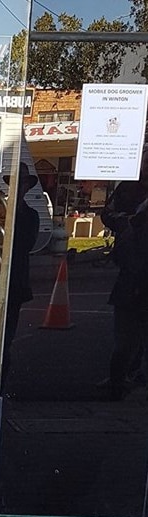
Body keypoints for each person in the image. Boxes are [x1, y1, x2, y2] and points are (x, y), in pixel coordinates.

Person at [99, 148, 148, 400]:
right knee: (126, 340)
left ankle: (130, 377)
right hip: (130, 277)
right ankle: (118, 381)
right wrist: (124, 222)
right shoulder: (128, 188)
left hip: (137, 275)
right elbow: (107, 213)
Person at [1, 162, 39, 391]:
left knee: (6, 340)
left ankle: (1, 386)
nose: (19, 187)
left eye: (22, 183)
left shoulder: (30, 215)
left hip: (14, 283)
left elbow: (25, 244)